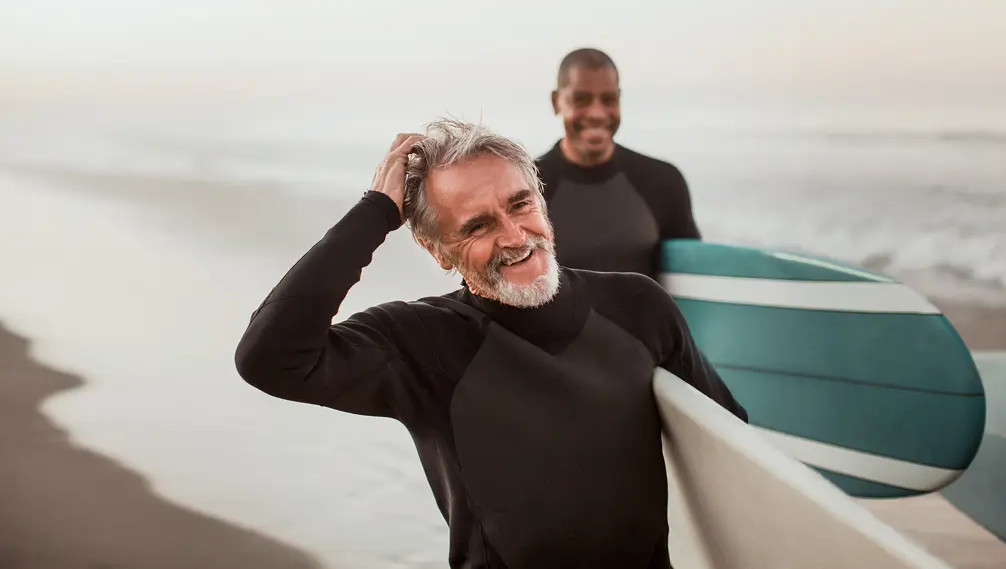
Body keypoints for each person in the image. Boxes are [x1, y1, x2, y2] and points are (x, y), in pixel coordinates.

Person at [235, 118, 746, 569]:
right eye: (477, 226)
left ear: (542, 202)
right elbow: (269, 357)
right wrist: (374, 214)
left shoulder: (638, 306)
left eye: (520, 204)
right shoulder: (421, 345)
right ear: (437, 251)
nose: (515, 236)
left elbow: (729, 441)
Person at [536, 48, 700, 280]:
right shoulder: (529, 186)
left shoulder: (664, 181)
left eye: (609, 99)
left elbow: (693, 281)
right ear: (556, 102)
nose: (597, 113)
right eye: (581, 99)